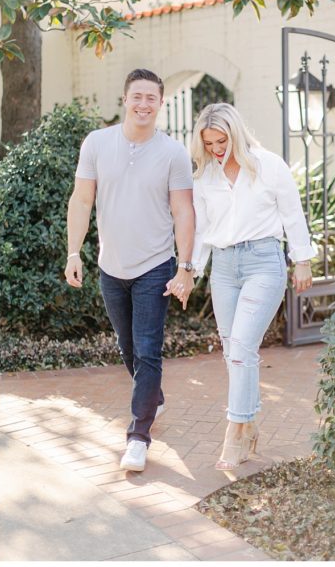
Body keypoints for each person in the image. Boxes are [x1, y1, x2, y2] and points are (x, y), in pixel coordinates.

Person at [65, 68, 196, 472]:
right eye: (137, 96)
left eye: (151, 98)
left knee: (147, 350)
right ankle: (150, 393)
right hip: (111, 266)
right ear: (125, 99)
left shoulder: (173, 152)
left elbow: (183, 210)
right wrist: (73, 253)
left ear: (160, 103)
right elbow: (82, 200)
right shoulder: (97, 144)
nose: (143, 104)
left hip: (156, 266)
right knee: (127, 349)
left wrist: (186, 267)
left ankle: (139, 436)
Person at [187, 103, 315, 470]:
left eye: (221, 140)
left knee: (242, 346)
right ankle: (251, 423)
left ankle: (234, 431)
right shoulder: (205, 177)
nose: (215, 148)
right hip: (224, 268)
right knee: (233, 352)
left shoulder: (268, 165)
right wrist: (190, 271)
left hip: (263, 262)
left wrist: (302, 260)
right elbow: (201, 231)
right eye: (209, 142)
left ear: (236, 134)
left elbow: (293, 213)